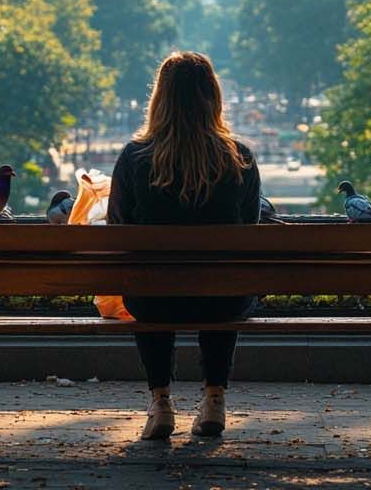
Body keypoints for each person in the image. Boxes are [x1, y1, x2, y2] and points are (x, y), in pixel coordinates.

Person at [108, 51, 261, 440]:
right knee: (223, 277)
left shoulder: (134, 157)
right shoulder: (238, 157)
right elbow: (251, 230)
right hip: (223, 299)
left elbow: (117, 227)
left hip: (153, 298)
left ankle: (160, 402)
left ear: (160, 98)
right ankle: (214, 399)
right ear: (213, 97)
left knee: (149, 278)